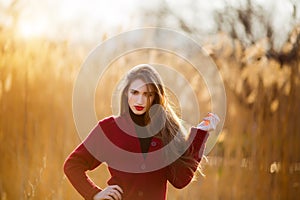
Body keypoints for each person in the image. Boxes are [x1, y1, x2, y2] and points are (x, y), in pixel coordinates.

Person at [64, 64, 220, 200]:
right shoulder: (109, 129)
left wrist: (200, 134)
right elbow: (72, 165)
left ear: (156, 97)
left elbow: (180, 180)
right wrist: (94, 194)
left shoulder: (166, 130)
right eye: (135, 93)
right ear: (126, 93)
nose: (140, 101)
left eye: (148, 94)